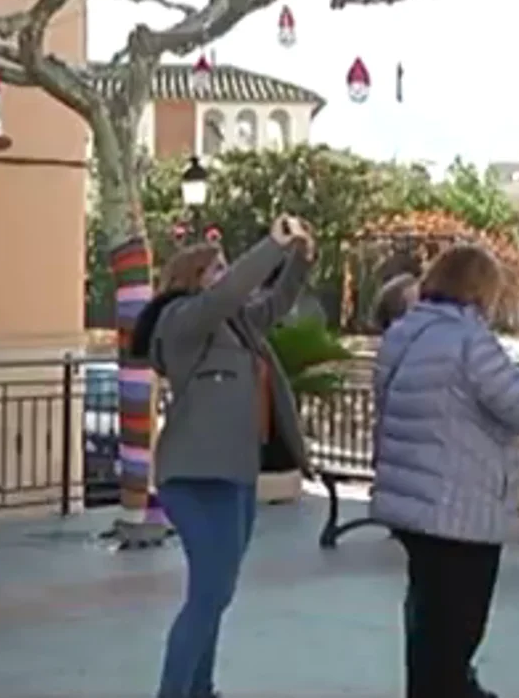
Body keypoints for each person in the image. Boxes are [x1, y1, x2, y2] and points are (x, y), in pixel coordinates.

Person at [369, 244, 519, 698]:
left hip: (412, 502)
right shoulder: (469, 341)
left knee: (427, 625)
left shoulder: (405, 333)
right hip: (460, 508)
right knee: (456, 634)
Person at [142, 216, 316, 698]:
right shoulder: (181, 321)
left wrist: (300, 256)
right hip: (194, 478)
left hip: (236, 475)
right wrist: (271, 245)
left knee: (216, 594)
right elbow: (223, 296)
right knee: (210, 592)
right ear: (193, 279)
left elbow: (278, 300)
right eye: (215, 268)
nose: (226, 275)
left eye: (225, 266)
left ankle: (201, 688)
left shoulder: (239, 325)